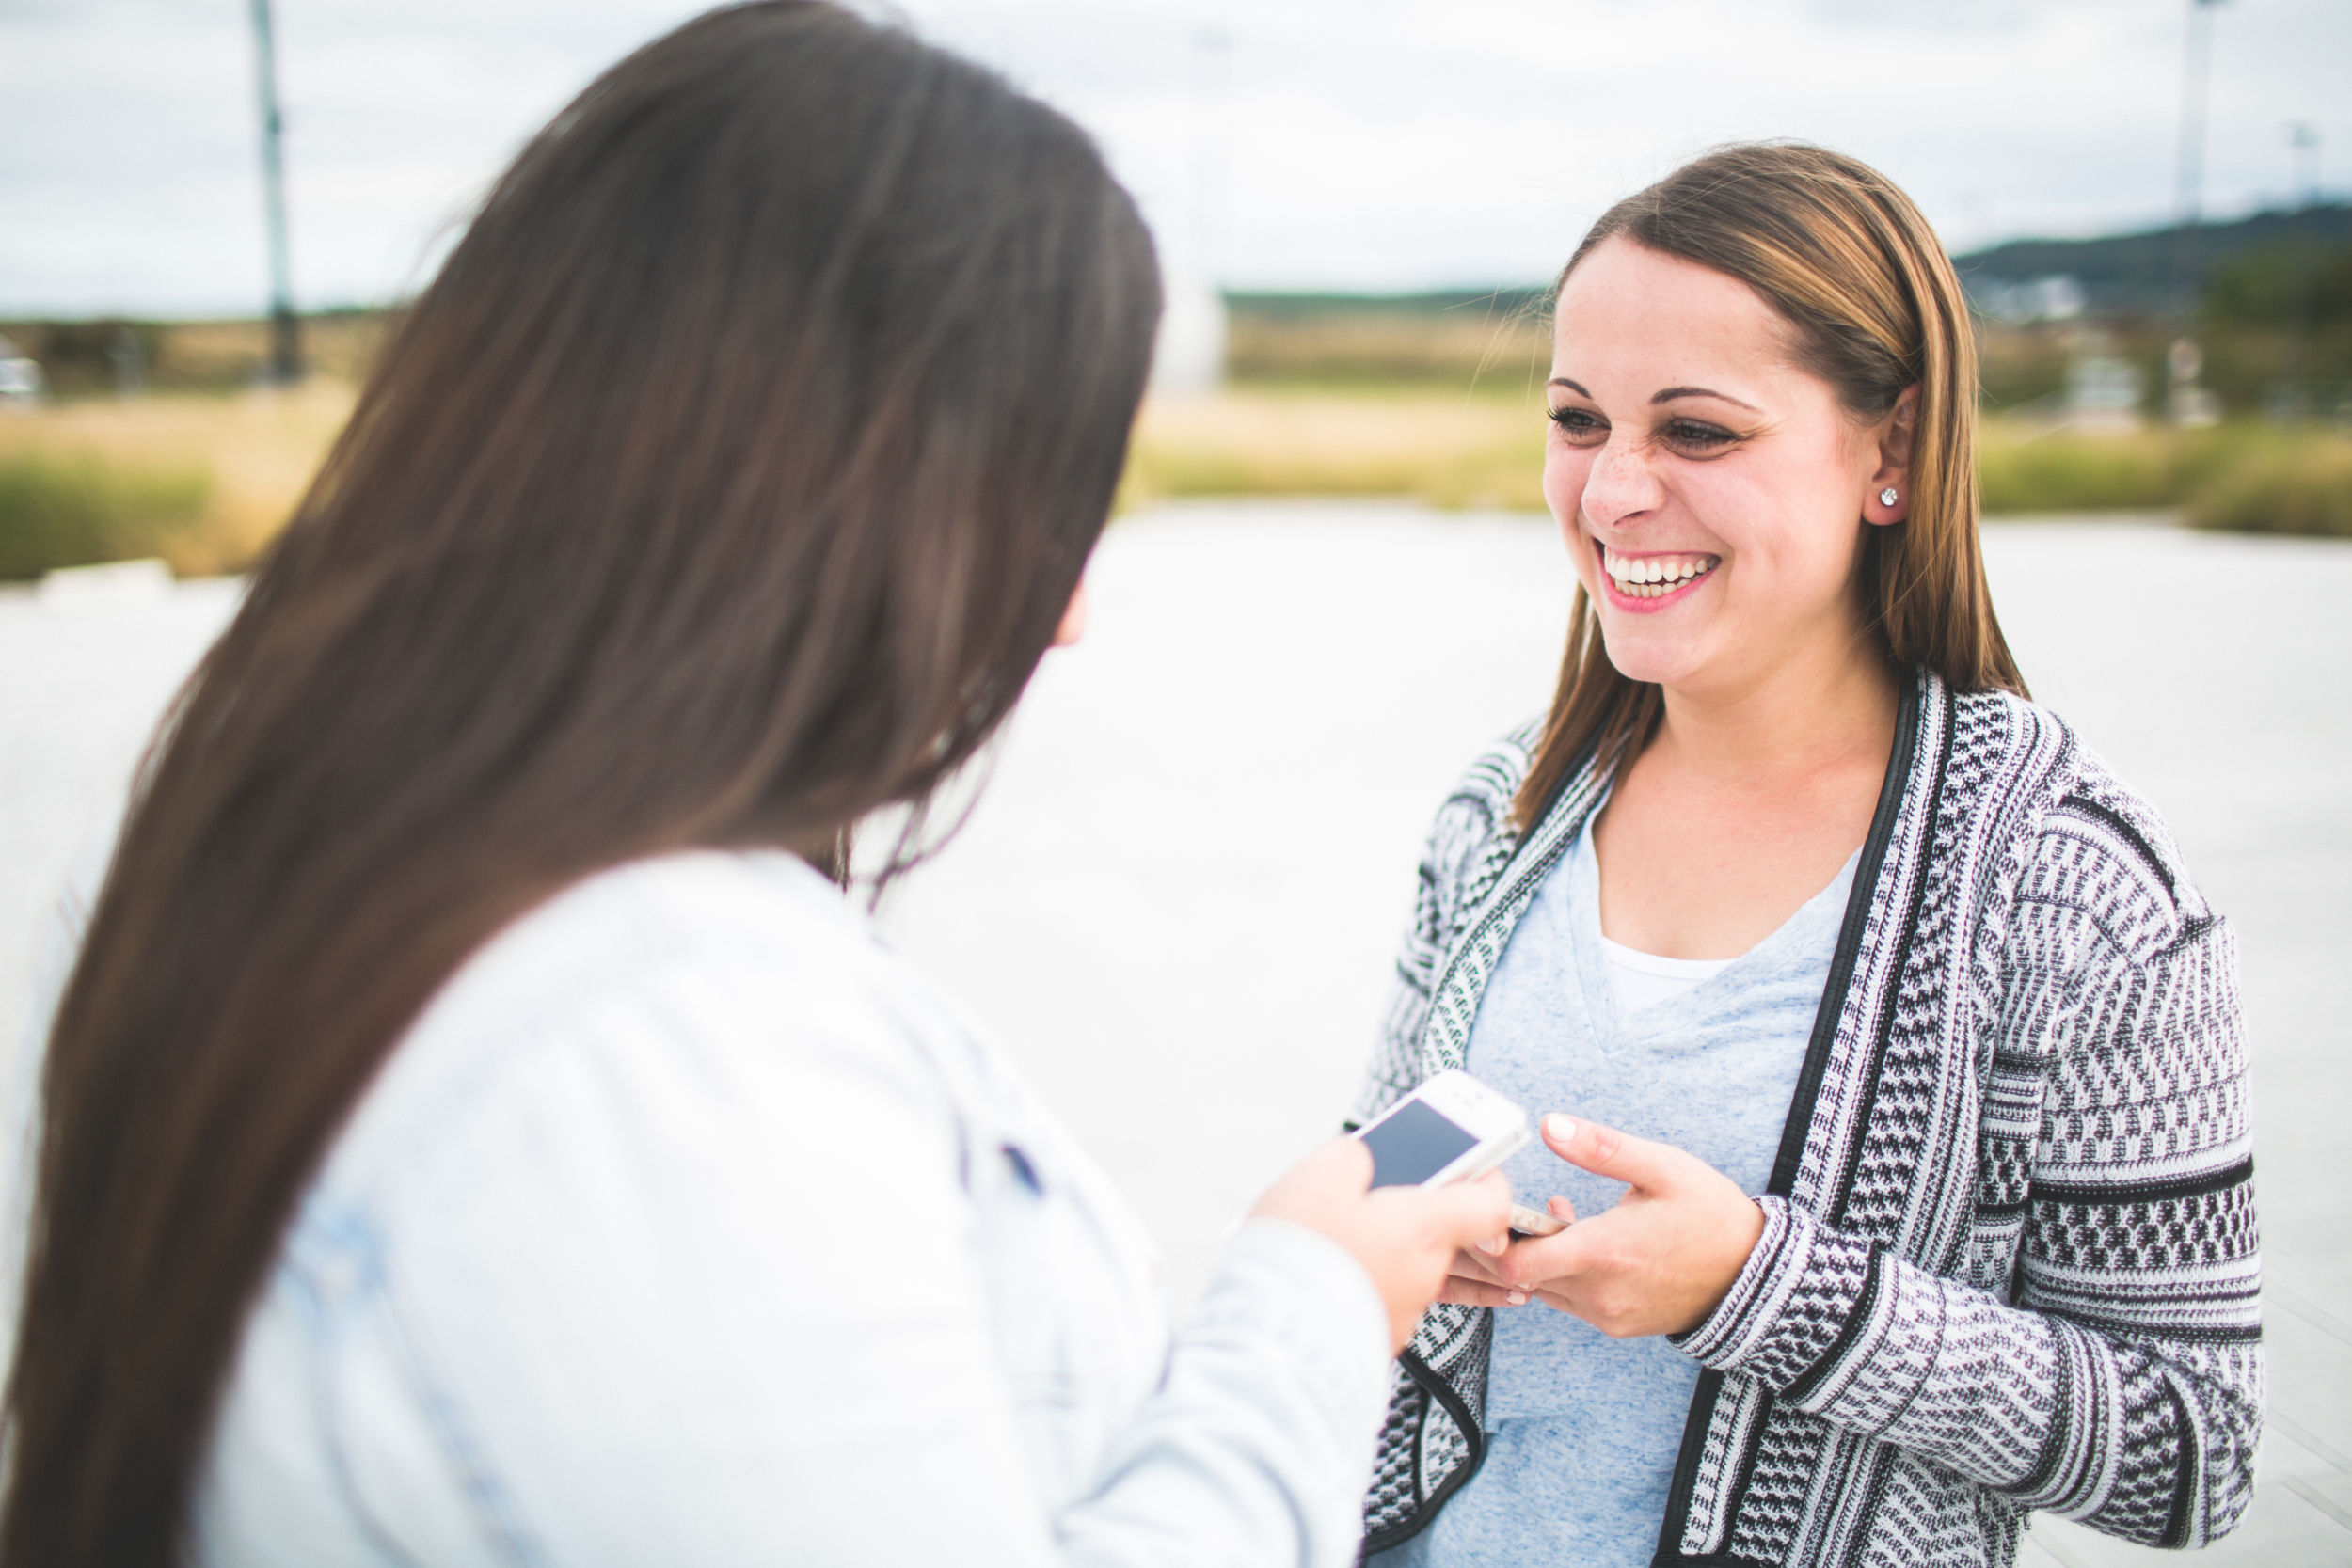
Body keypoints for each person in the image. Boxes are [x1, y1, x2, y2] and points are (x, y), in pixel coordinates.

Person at [0, 8, 1515, 1565]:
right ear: (855, 485)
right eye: (1060, 500)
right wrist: (1311, 1303)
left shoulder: (223, 828)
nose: (1068, 610)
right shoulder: (646, 1037)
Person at [1357, 143, 2260, 1568]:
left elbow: (2192, 1449)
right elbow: (1384, 1154)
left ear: (1889, 451)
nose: (1612, 493)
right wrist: (1401, 1219)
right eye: (1579, 420)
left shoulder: (2075, 892)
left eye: (1699, 433)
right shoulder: (1501, 809)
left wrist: (1762, 1287)